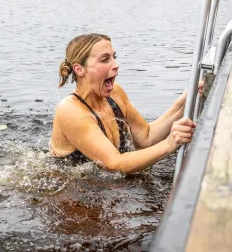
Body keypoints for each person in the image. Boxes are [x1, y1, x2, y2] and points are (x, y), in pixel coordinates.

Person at [49, 33, 200, 174]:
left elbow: (146, 137)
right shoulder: (70, 111)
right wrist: (169, 144)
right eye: (105, 59)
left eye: (114, 57)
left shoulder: (115, 93)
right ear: (79, 69)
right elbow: (115, 163)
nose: (116, 64)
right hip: (74, 193)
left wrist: (188, 98)